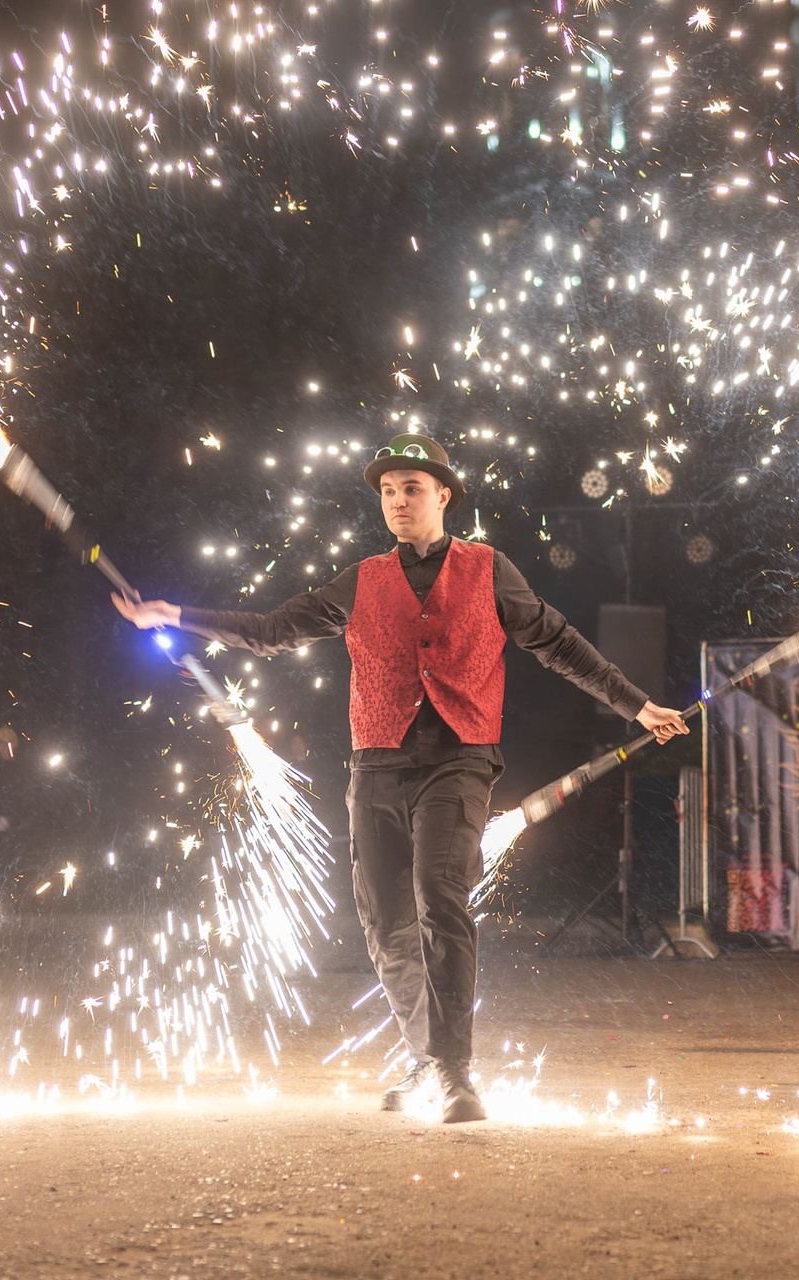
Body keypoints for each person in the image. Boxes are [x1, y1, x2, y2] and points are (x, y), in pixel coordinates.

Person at [114, 433, 689, 1122]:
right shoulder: (361, 579)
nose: (397, 501)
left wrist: (635, 704)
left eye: (411, 489)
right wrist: (175, 615)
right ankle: (425, 1060)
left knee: (439, 897)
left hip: (459, 761)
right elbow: (269, 631)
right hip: (376, 766)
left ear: (444, 496)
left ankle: (454, 1072)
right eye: (388, 492)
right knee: (387, 925)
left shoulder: (488, 569)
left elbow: (557, 641)